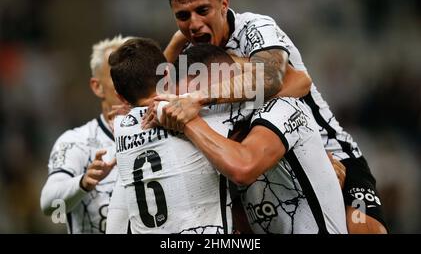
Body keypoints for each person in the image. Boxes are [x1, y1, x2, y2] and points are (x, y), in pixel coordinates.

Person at [158, 0, 388, 233]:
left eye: (202, 10)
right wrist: (173, 47)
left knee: (364, 230)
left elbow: (281, 79)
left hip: (330, 150)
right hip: (260, 161)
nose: (194, 24)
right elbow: (153, 94)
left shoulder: (256, 27)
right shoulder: (188, 50)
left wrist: (199, 97)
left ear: (223, 4)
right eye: (183, 16)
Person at [157, 44, 347, 234]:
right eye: (182, 101)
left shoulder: (282, 109)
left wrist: (189, 122)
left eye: (197, 103)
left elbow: (244, 167)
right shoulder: (217, 147)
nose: (188, 109)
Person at [107, 38, 252, 234]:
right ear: (168, 74)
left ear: (120, 97)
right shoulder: (199, 112)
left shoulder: (120, 129)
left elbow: (116, 221)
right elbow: (270, 81)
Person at [40, 35, 129, 233]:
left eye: (134, 76)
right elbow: (49, 203)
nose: (129, 85)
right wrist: (83, 182)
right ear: (97, 87)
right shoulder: (76, 142)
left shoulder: (160, 134)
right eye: (119, 77)